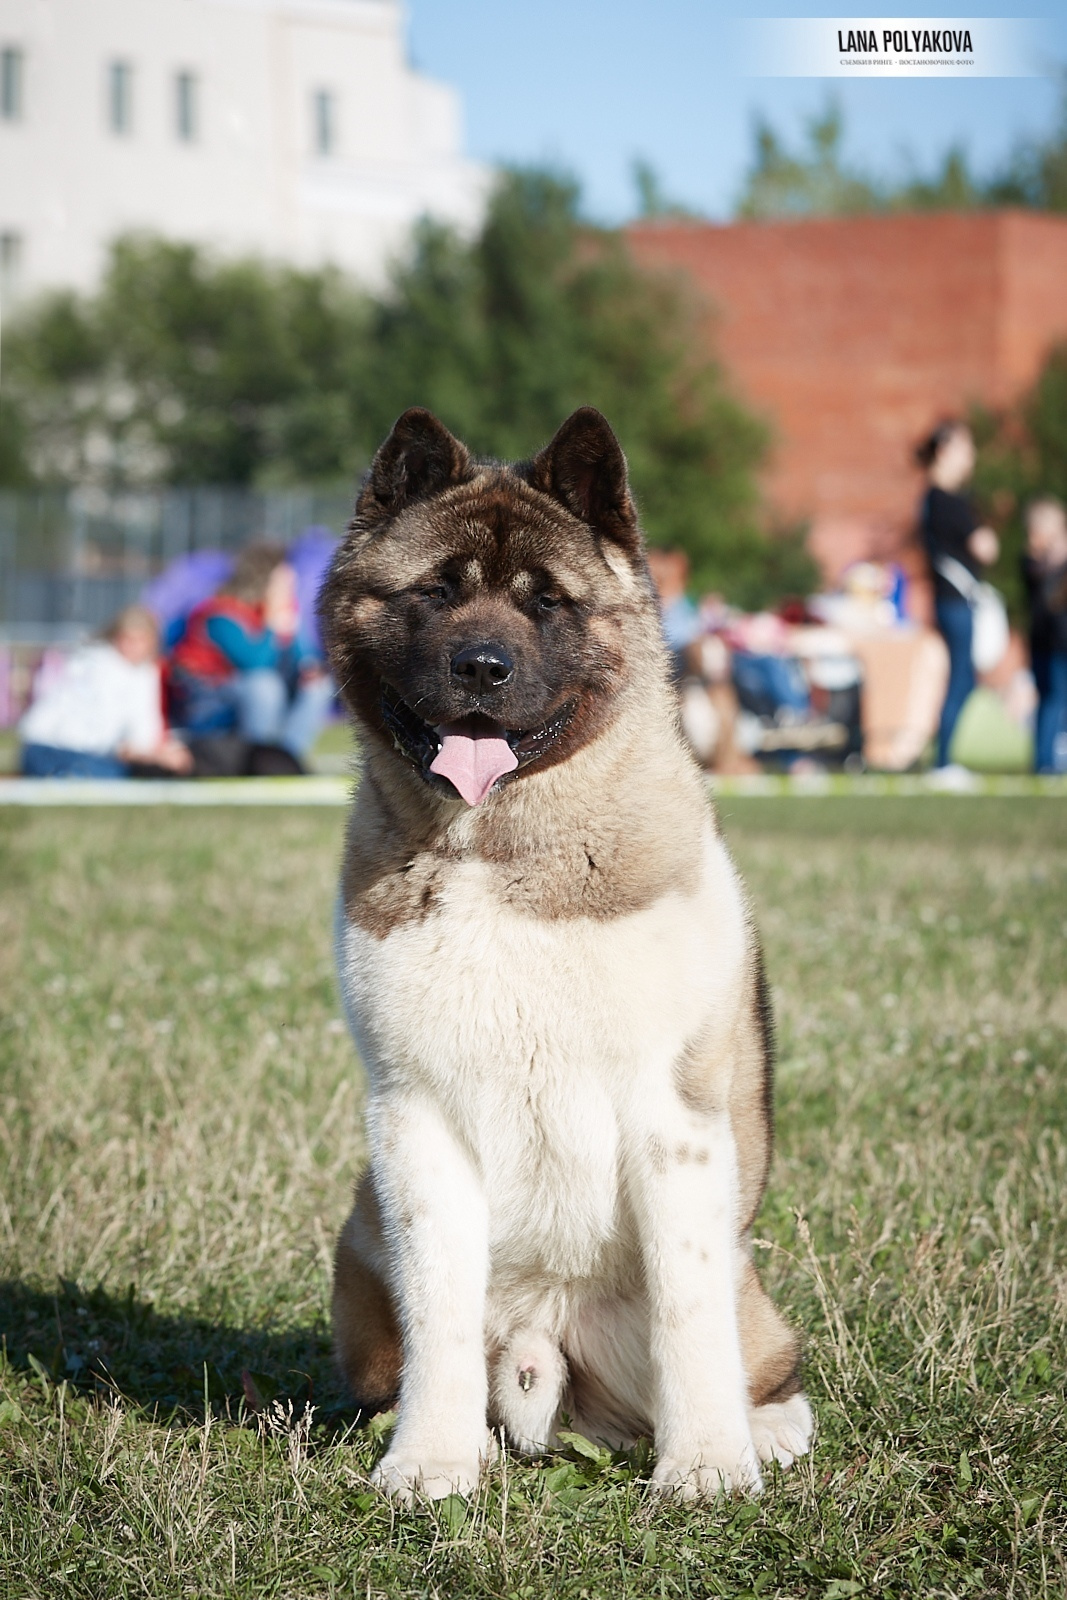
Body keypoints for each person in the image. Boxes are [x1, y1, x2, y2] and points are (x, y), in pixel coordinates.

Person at [167, 541, 333, 767]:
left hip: (256, 695)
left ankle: (285, 761)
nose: (291, 584)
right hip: (207, 702)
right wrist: (272, 625)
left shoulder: (276, 612)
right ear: (263, 579)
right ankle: (258, 760)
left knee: (317, 686)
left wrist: (307, 665)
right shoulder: (222, 614)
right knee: (263, 685)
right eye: (283, 580)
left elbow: (303, 660)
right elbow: (255, 663)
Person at [19, 606, 192, 778]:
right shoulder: (102, 666)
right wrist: (155, 756)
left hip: (79, 753)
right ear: (116, 638)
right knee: (115, 774)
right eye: (128, 639)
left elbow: (142, 732)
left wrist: (161, 751)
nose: (134, 647)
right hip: (54, 750)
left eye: (141, 640)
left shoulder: (142, 672)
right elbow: (106, 742)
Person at [916, 420, 999, 773]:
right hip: (955, 601)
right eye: (966, 448)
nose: (972, 456)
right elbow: (986, 547)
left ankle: (943, 759)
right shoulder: (946, 500)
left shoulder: (931, 500)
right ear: (944, 450)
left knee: (963, 678)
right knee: (961, 679)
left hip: (951, 600)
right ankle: (943, 761)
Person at [1022, 497, 1067, 774]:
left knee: (1056, 700)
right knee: (1051, 699)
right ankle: (1044, 761)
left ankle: (1049, 758)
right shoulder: (1032, 560)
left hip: (1060, 641)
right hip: (1047, 643)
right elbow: (1044, 588)